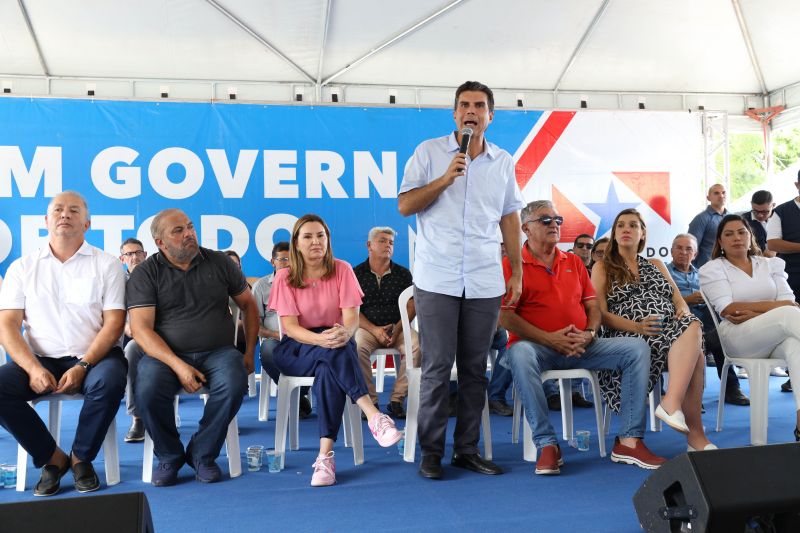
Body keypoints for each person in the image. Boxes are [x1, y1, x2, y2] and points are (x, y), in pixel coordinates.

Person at [398, 80, 524, 480]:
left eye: (480, 105)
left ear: (490, 115)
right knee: (437, 367)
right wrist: (444, 180)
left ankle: (466, 449)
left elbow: (509, 216)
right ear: (454, 113)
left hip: (485, 278)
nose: (472, 111)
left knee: (475, 370)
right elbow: (405, 205)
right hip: (437, 276)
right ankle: (431, 453)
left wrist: (517, 269)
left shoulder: (502, 162)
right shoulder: (429, 153)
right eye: (465, 105)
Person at [501, 200, 663, 474]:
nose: (554, 224)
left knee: (636, 348)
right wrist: (551, 339)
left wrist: (589, 334)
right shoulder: (512, 264)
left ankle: (629, 440)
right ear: (526, 228)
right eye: (546, 220)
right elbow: (505, 317)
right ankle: (547, 444)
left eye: (558, 220)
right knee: (518, 352)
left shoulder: (574, 262)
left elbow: (593, 307)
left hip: (583, 344)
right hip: (538, 348)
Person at [0, 191, 127, 496]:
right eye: (57, 210)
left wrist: (84, 365)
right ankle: (52, 458)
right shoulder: (22, 268)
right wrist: (31, 367)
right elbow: (7, 326)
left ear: (87, 223)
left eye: (74, 210)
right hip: (41, 358)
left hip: (96, 357)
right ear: (46, 221)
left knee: (109, 382)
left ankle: (81, 457)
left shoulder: (107, 264)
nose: (65, 215)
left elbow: (114, 324)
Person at [127, 208, 259, 486]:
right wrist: (179, 365)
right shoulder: (146, 273)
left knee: (235, 383)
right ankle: (169, 455)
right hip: (166, 356)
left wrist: (248, 353)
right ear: (160, 242)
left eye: (190, 227)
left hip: (219, 352)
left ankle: (202, 454)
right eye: (178, 230)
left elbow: (248, 305)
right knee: (146, 389)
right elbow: (141, 330)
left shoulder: (220, 262)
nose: (189, 233)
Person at [268, 214, 403, 487]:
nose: (315, 241)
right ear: (296, 243)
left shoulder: (342, 269)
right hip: (297, 346)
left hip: (334, 340)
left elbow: (351, 319)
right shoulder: (285, 277)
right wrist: (322, 341)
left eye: (321, 235)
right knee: (334, 351)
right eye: (308, 236)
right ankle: (373, 414)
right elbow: (291, 328)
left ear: (328, 240)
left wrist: (344, 332)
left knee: (331, 364)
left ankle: (325, 457)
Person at [592, 209, 714, 452]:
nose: (626, 229)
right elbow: (601, 315)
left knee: (693, 328)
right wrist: (637, 326)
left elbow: (677, 299)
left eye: (633, 225)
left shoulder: (656, 264)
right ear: (615, 234)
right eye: (621, 226)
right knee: (697, 352)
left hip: (667, 328)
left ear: (642, 233)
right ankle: (693, 434)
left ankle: (672, 403)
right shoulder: (602, 267)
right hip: (628, 335)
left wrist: (682, 310)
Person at [700, 214, 800, 442]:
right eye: (728, 234)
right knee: (786, 314)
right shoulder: (713, 269)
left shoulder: (770, 264)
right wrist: (777, 307)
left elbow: (791, 302)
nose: (736, 237)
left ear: (750, 236)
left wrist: (755, 312)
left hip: (774, 336)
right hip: (737, 337)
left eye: (741, 232)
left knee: (796, 344)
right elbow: (729, 309)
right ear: (720, 242)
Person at [666, 234, 749, 406]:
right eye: (679, 248)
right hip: (676, 326)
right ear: (671, 251)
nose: (683, 252)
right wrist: (688, 300)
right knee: (707, 336)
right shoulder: (663, 273)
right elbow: (657, 302)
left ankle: (729, 389)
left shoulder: (704, 275)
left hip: (706, 324)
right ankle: (694, 394)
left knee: (719, 331)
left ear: (695, 254)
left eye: (688, 249)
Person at [353, 226, 419, 419]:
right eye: (382, 241)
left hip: (397, 327)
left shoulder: (403, 274)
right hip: (367, 328)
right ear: (369, 245)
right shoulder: (356, 274)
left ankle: (397, 400)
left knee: (417, 346)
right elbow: (352, 310)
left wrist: (398, 329)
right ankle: (370, 403)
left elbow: (411, 306)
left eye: (390, 242)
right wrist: (374, 330)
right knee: (356, 347)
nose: (388, 245)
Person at [252, 242, 313, 417]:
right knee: (268, 351)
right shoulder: (261, 286)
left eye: (291, 259)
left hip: (302, 337)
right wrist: (277, 335)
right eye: (283, 259)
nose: (288, 263)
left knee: (319, 351)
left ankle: (296, 395)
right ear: (273, 262)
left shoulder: (304, 283)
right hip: (274, 339)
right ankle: (298, 396)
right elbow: (255, 325)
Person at [767, 172, 800, 393]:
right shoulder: (781, 212)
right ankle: (794, 375)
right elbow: (773, 243)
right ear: (797, 184)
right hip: (793, 276)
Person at [119, 237, 149, 443]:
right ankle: (137, 417)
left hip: (160, 335)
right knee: (130, 351)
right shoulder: (116, 282)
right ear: (122, 259)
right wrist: (126, 327)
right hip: (132, 338)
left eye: (138, 252)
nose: (134, 257)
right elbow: (109, 315)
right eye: (129, 254)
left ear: (145, 255)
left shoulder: (159, 276)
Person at [688, 183, 728, 268]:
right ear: (708, 198)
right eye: (716, 193)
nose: (721, 195)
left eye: (724, 192)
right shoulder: (700, 219)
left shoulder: (732, 217)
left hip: (730, 267)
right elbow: (691, 248)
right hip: (707, 269)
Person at [743, 190, 775, 258]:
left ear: (773, 205)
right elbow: (768, 254)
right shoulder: (743, 221)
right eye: (755, 211)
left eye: (765, 212)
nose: (760, 215)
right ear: (751, 204)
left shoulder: (780, 217)